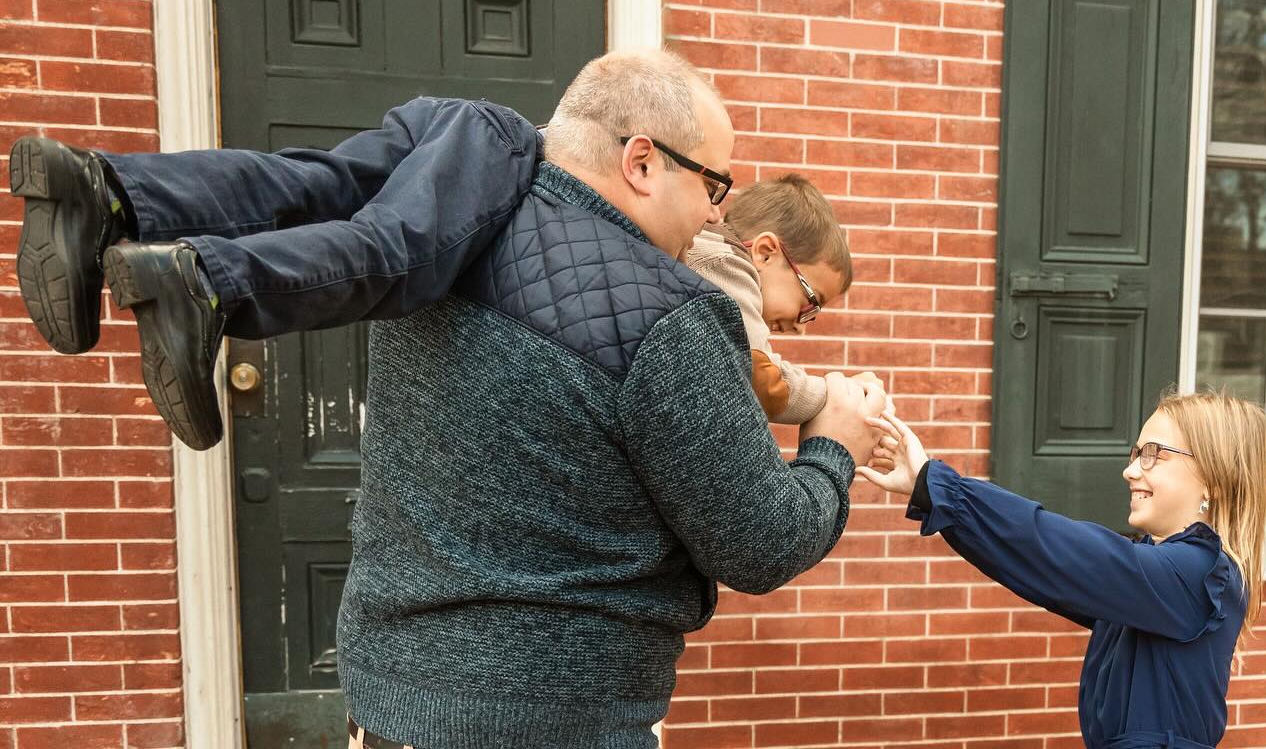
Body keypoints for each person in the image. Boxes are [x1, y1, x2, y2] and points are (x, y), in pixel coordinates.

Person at [333, 48, 884, 747]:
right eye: (713, 187)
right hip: (551, 725)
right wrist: (833, 447)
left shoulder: (436, 232)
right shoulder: (665, 316)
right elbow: (761, 544)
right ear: (643, 162)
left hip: (386, 705)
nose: (715, 219)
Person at [10, 95, 542, 449]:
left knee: (307, 186)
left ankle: (102, 190)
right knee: (393, 251)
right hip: (519, 144)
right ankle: (206, 282)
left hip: (464, 120)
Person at [859, 390, 1266, 749]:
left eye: (1153, 455)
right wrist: (931, 492)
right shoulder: (1160, 575)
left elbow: (1053, 547)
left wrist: (941, 487)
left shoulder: (1197, 574)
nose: (1130, 471)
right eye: (1135, 453)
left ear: (1213, 479)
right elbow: (1040, 566)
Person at [688, 174, 851, 423]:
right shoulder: (726, 265)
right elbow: (763, 383)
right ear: (765, 253)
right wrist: (839, 396)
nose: (799, 327)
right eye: (810, 302)